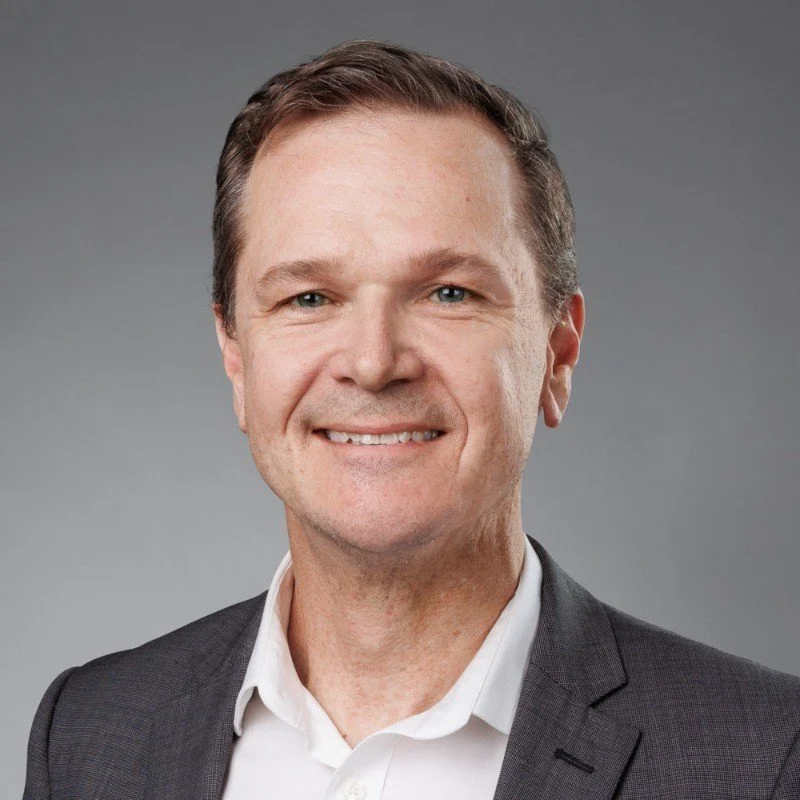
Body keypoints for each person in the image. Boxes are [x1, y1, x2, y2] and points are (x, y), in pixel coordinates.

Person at [23, 39, 800, 800]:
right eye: (309, 298)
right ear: (236, 355)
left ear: (558, 352)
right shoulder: (90, 737)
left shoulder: (762, 759)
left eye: (449, 293)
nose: (372, 361)